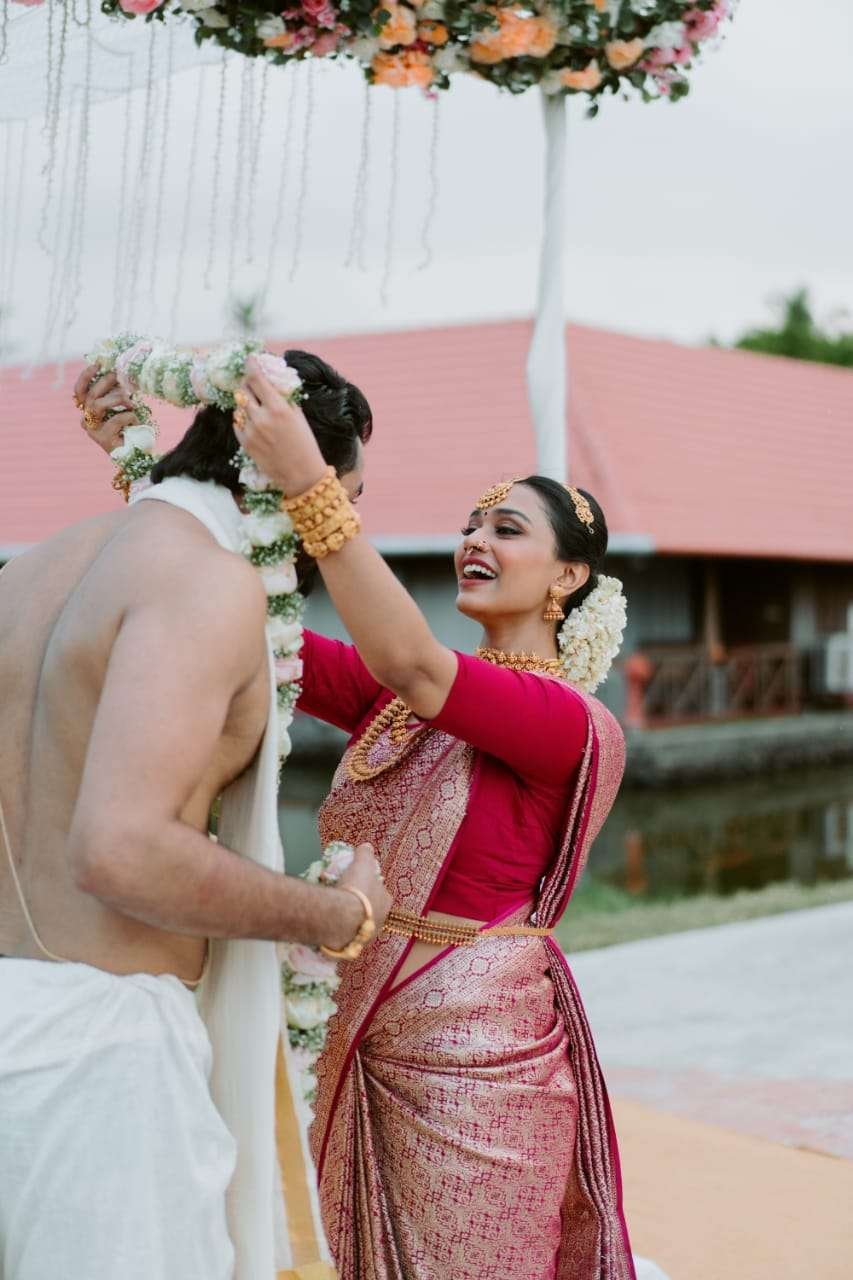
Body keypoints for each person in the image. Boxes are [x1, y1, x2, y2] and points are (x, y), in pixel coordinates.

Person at [227, 359, 635, 1280]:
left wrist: (311, 488)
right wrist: (152, 479)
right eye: (468, 527)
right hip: (359, 1028)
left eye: (506, 529)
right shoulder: (409, 700)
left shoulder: (563, 722)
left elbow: (413, 663)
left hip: (474, 1072)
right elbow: (264, 634)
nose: (473, 541)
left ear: (569, 575)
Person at [0, 350, 391, 1280]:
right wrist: (336, 915)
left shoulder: (26, 572)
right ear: (295, 476)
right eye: (344, 499)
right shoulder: (208, 583)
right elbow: (122, 848)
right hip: (100, 1064)